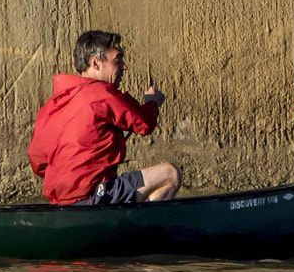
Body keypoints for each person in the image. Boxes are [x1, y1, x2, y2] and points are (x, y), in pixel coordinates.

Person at [29, 30, 182, 206]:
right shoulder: (104, 94)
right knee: (170, 174)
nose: (124, 67)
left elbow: (38, 163)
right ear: (95, 63)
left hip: (60, 202)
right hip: (93, 196)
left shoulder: (50, 107)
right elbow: (144, 124)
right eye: (118, 60)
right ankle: (139, 228)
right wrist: (152, 103)